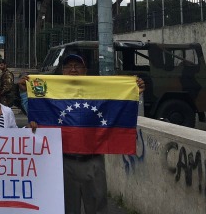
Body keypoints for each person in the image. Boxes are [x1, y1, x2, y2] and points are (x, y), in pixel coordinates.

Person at [18, 53, 145, 214]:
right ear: (62, 71)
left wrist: (135, 91)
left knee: (97, 207)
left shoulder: (98, 90)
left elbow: (116, 106)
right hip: (63, 161)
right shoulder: (50, 91)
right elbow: (35, 110)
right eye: (68, 66)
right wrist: (24, 92)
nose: (73, 69)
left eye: (77, 66)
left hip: (93, 160)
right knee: (67, 209)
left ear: (85, 70)